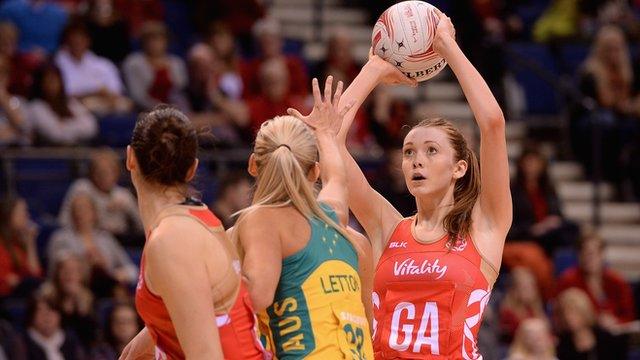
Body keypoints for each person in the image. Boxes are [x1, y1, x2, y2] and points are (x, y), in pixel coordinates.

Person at [307, 11, 512, 358]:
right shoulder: (388, 227)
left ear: (459, 167)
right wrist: (373, 69)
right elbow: (331, 140)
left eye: (432, 151)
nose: (417, 159)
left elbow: (492, 123)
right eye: (409, 151)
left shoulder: (485, 228)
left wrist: (447, 45)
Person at [235, 76, 374, 359]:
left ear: (253, 165)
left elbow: (257, 295)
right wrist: (324, 132)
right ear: (315, 172)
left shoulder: (259, 220)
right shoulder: (341, 223)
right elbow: (337, 177)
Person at [120, 105, 266, 359]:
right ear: (192, 169)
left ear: (130, 159)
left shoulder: (173, 241)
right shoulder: (196, 219)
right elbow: (199, 308)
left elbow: (206, 354)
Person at [47, 193, 138, 298]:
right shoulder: (61, 238)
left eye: (85, 209)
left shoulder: (106, 238)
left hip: (107, 285)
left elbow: (132, 271)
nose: (80, 213)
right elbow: (54, 271)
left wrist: (112, 273)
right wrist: (85, 264)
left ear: (94, 213)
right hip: (75, 289)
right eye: (77, 209)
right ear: (71, 214)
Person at [58, 148, 142, 244]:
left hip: (121, 242)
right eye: (100, 172)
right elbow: (65, 221)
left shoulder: (123, 195)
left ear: (117, 173)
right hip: (88, 241)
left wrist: (128, 208)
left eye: (110, 172)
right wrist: (103, 210)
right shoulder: (82, 188)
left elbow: (142, 227)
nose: (105, 177)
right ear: (92, 173)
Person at [557, 233, 636, 327]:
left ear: (602, 254)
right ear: (578, 255)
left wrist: (616, 322)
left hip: (615, 333)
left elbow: (629, 317)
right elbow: (560, 317)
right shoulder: (567, 281)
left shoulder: (617, 282)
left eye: (594, 253)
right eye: (585, 252)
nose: (589, 258)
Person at [55, 19, 131, 114]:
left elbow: (115, 91)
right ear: (66, 41)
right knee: (82, 105)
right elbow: (66, 92)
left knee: (125, 104)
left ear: (88, 41)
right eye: (73, 38)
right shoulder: (58, 63)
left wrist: (105, 95)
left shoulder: (103, 63)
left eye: (81, 38)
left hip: (103, 102)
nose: (77, 42)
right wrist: (95, 91)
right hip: (74, 104)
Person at [122, 21, 189, 111]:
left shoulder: (176, 62)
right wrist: (161, 109)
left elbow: (181, 90)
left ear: (166, 42)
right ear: (143, 42)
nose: (154, 44)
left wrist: (175, 109)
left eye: (159, 40)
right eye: (150, 40)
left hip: (176, 109)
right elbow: (137, 96)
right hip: (144, 111)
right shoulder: (133, 63)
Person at [28, 63, 98, 146]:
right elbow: (55, 135)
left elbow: (91, 128)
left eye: (55, 80)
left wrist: (64, 125)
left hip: (77, 151)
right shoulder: (36, 107)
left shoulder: (71, 103)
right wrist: (76, 124)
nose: (52, 85)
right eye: (48, 80)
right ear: (40, 83)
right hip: (51, 154)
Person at [40, 254, 97, 351]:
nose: (69, 274)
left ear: (81, 275)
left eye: (74, 271)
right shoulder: (46, 298)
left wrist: (80, 305)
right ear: (57, 274)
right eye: (64, 270)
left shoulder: (88, 299)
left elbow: (91, 338)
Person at [555, 287, 628, 359]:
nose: (568, 318)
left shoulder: (605, 338)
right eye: (564, 313)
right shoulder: (561, 346)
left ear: (584, 311)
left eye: (573, 312)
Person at [23, 290, 85, 360]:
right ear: (32, 316)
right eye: (41, 311)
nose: (47, 316)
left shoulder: (71, 341)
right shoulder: (22, 343)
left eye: (52, 311)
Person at [0, 196, 41, 297]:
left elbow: (35, 275)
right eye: (22, 212)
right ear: (9, 216)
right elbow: (6, 280)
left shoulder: (20, 243)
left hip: (21, 294)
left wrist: (30, 243)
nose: (27, 216)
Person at [499, 267, 546, 341]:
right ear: (514, 290)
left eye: (532, 286)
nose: (531, 291)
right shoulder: (508, 314)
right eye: (525, 288)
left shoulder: (535, 310)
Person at [0, 54, 30, 147]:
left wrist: (3, 98)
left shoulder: (18, 102)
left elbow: (25, 130)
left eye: (2, 72)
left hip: (14, 158)